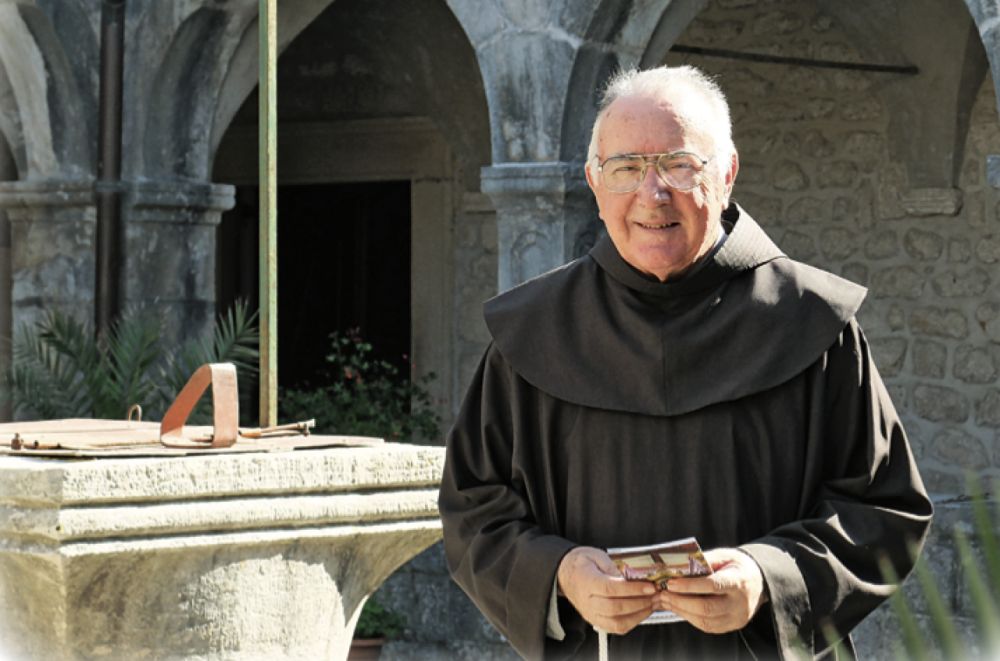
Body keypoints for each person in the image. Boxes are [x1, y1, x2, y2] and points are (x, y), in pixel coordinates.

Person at [438, 65, 932, 660]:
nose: (653, 194)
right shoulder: (532, 333)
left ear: (727, 173)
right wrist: (561, 574)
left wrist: (766, 578)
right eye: (626, 168)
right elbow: (473, 512)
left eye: (679, 164)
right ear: (595, 183)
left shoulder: (813, 322)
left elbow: (884, 509)